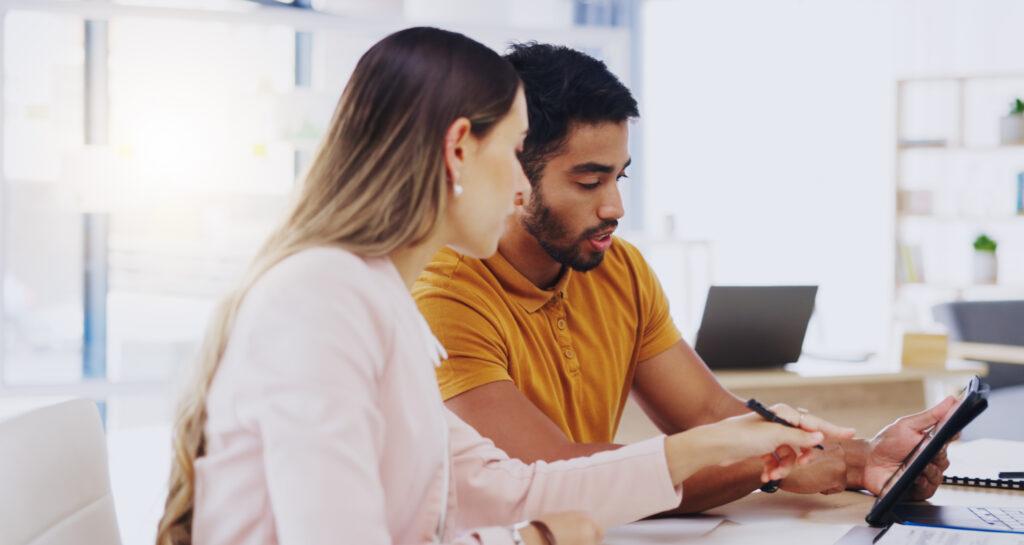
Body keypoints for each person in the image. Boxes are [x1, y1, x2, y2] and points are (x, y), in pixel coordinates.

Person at [155, 27, 852, 545]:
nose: (520, 189)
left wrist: (721, 441)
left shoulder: (373, 298)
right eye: (511, 154)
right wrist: (536, 540)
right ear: (460, 149)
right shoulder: (322, 302)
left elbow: (508, 485)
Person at [413, 42, 954, 514]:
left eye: (619, 176)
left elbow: (710, 417)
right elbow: (550, 477)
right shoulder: (442, 295)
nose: (615, 207)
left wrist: (862, 458)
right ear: (512, 169)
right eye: (588, 181)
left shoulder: (617, 267)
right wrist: (769, 455)